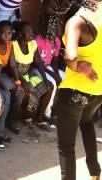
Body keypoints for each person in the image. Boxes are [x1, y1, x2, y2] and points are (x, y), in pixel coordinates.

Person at [55, 1, 102, 179]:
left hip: (75, 93)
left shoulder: (76, 22)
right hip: (98, 91)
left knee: (66, 148)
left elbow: (70, 56)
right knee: (87, 123)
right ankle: (95, 173)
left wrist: (78, 66)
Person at [12, 21, 54, 131]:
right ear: (20, 33)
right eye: (28, 31)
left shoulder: (32, 44)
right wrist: (23, 82)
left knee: (49, 86)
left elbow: (38, 62)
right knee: (27, 90)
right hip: (15, 76)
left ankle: (39, 117)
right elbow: (12, 68)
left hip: (26, 75)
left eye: (32, 31)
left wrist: (45, 78)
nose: (32, 33)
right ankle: (27, 116)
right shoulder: (13, 45)